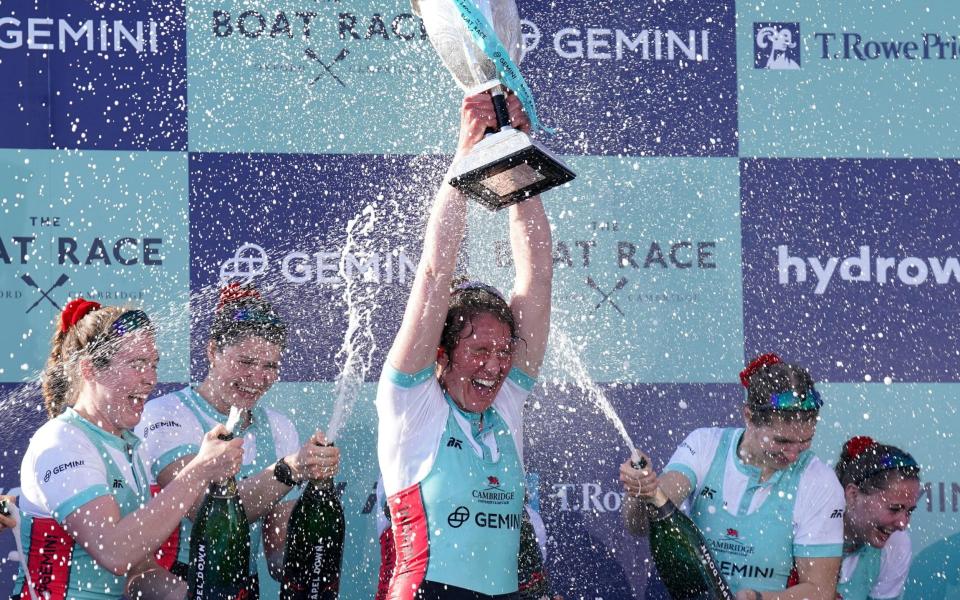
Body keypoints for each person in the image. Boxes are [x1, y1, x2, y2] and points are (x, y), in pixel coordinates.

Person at [377, 90, 553, 599]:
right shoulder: (411, 403)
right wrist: (467, 152)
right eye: (479, 351)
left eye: (503, 353)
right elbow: (434, 275)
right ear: (442, 354)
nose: (496, 366)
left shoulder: (509, 403)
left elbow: (536, 273)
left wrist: (516, 157)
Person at [12, 298, 242, 600]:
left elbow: (137, 569)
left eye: (153, 364)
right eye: (136, 364)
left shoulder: (126, 445)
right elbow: (115, 551)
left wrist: (192, 596)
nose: (150, 378)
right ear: (90, 368)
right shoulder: (62, 441)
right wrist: (199, 470)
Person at [138, 284, 341, 594]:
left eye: (270, 367)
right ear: (212, 352)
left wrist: (312, 554)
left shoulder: (279, 427)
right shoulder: (166, 414)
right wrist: (290, 468)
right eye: (245, 363)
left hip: (242, 586)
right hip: (173, 583)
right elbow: (202, 511)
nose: (258, 378)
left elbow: (277, 557)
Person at [620, 353, 845, 600]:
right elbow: (640, 523)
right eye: (782, 441)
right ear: (749, 417)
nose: (793, 455)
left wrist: (757, 598)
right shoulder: (705, 444)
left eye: (805, 442)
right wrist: (644, 490)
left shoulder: (820, 481)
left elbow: (820, 592)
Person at [834, 436, 920, 600]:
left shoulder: (896, 543)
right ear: (853, 495)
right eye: (894, 509)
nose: (903, 524)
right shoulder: (802, 526)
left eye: (909, 511)